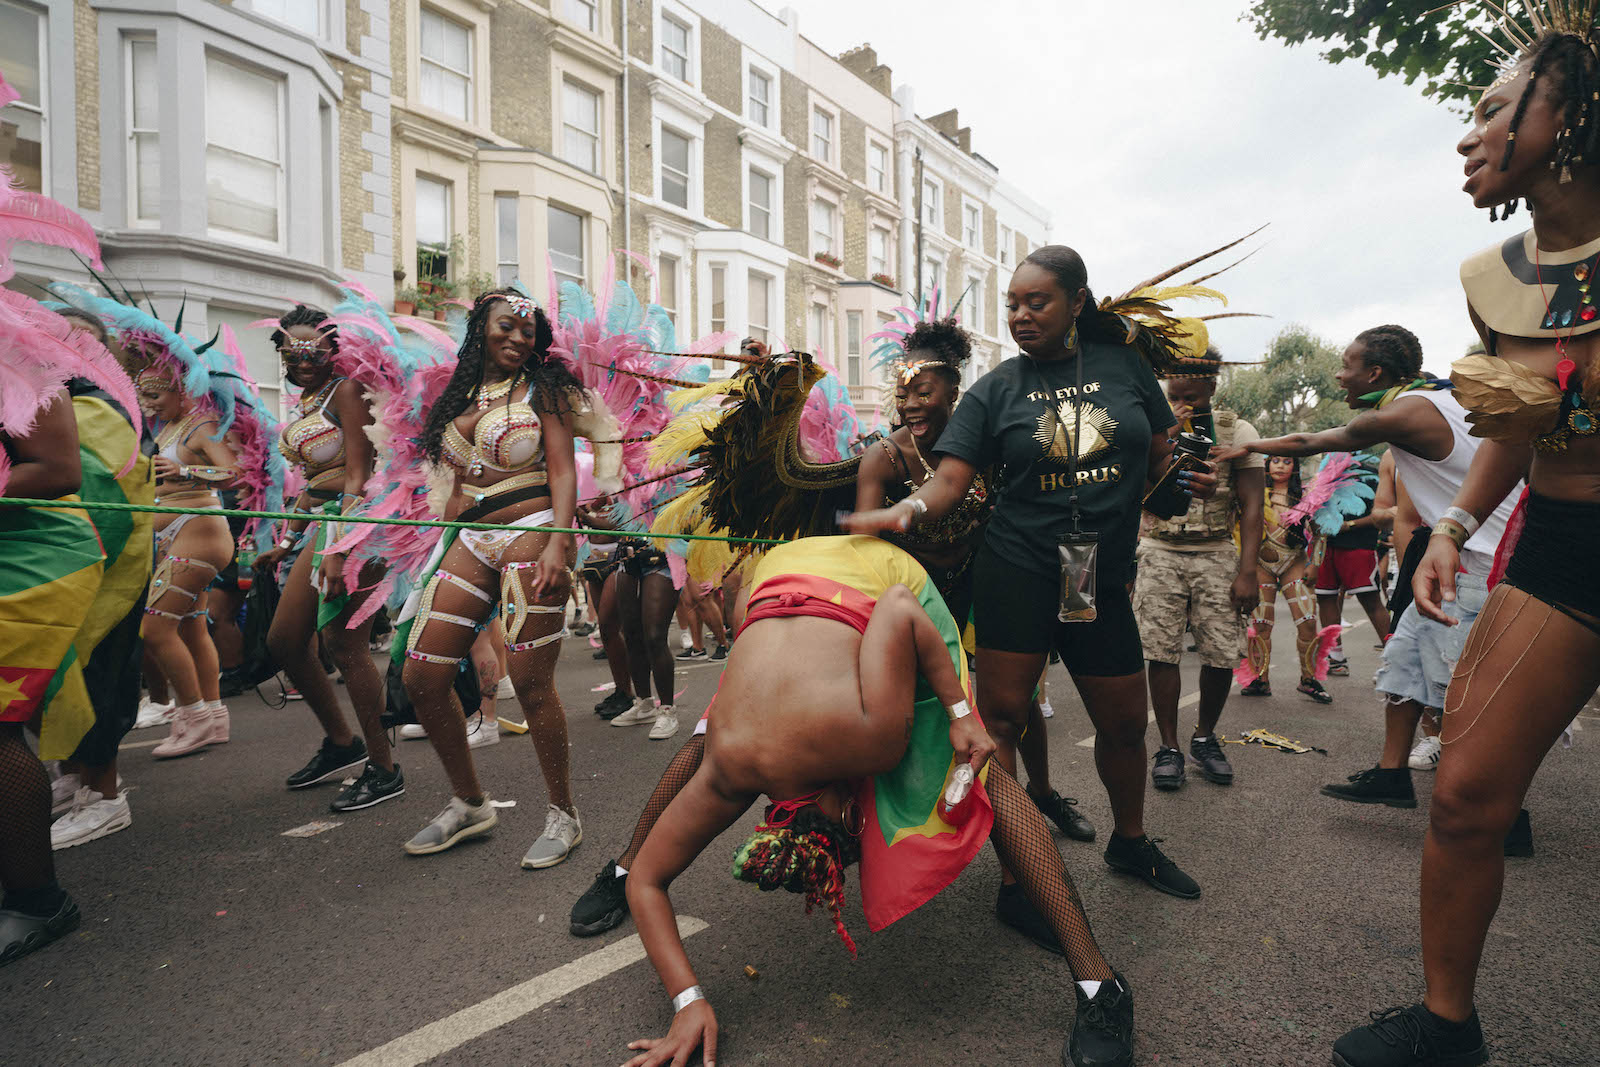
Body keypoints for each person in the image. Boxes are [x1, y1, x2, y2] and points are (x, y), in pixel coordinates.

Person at [1332, 20, 1600, 1065]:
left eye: (1495, 107)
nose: (1470, 133)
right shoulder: (1492, 276)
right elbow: (1520, 419)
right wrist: (1449, 521)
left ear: (1569, 112)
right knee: (1462, 793)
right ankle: (1448, 1027)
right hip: (1563, 542)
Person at [618, 535, 1133, 1067]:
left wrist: (960, 718)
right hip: (772, 577)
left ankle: (1101, 982)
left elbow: (899, 606)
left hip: (877, 575)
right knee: (719, 729)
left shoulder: (863, 742)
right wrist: (688, 1000)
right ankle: (1091, 975)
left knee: (979, 774)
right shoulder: (727, 768)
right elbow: (646, 883)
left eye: (859, 827)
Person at [845, 245, 1221, 906]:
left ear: (1077, 302)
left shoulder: (1126, 368)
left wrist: (1186, 480)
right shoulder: (998, 388)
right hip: (1015, 567)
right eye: (1012, 303)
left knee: (1126, 721)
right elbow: (953, 479)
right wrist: (900, 511)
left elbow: (1164, 467)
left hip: (1092, 574)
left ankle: (1129, 840)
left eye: (1036, 301)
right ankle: (1020, 878)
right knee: (1003, 721)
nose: (1020, 314)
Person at [1218, 325, 1518, 810]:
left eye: (1346, 366)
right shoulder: (1436, 398)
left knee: (1463, 690)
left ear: (1375, 372)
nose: (1339, 377)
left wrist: (1250, 447)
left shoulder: (1405, 412)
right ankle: (1391, 775)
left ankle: (1503, 811)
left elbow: (1312, 438)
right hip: (1453, 560)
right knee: (1404, 666)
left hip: (1481, 565)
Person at [855, 312, 1094, 840]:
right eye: (903, 394)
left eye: (924, 392)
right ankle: (899, 821)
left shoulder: (988, 447)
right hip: (918, 598)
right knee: (905, 707)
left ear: (954, 390)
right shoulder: (883, 458)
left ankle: (1042, 797)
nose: (911, 404)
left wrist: (1076, 583)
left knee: (1017, 701)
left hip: (985, 584)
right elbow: (866, 553)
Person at [400, 289, 582, 868]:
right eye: (506, 326)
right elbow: (454, 487)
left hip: (532, 526)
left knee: (530, 682)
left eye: (527, 331)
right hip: (471, 537)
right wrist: (433, 549)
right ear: (482, 327)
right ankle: (471, 802)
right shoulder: (461, 395)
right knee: (422, 675)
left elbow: (561, 469)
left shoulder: (544, 389)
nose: (518, 338)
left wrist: (560, 540)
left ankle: (563, 815)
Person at [251, 304, 401, 810]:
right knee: (286, 643)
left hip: (359, 520)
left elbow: (358, 476)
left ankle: (384, 769)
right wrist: (288, 542)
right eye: (292, 349)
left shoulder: (348, 390)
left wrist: (339, 548)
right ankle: (342, 744)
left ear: (335, 348)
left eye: (315, 347)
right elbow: (312, 486)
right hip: (322, 521)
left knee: (344, 644)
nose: (303, 357)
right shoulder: (310, 399)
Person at [1133, 346, 1264, 790]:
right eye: (1173, 389)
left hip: (1215, 551)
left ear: (1211, 384)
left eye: (1190, 391)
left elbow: (1251, 505)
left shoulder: (1237, 429)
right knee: (1161, 650)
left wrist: (1249, 571)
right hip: (1160, 549)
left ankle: (1205, 737)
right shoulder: (1154, 426)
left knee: (1221, 651)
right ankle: (1168, 747)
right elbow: (1138, 484)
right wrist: (1167, 429)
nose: (1181, 398)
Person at [1237, 455, 1337, 703]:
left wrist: (1315, 564)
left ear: (1295, 467)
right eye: (1275, 461)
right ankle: (1260, 679)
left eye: (1287, 461)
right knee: (1260, 625)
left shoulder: (1305, 496)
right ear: (1266, 465)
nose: (1280, 466)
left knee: (1307, 622)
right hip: (1260, 564)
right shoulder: (1256, 493)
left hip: (1295, 561)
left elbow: (1320, 534)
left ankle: (1308, 680)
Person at [1314, 454, 1392, 676]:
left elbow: (1383, 513)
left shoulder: (1369, 475)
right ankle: (1335, 657)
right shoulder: (1324, 476)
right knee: (1325, 598)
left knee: (1371, 601)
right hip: (1326, 547)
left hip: (1359, 547)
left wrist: (1348, 525)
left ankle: (1395, 661)